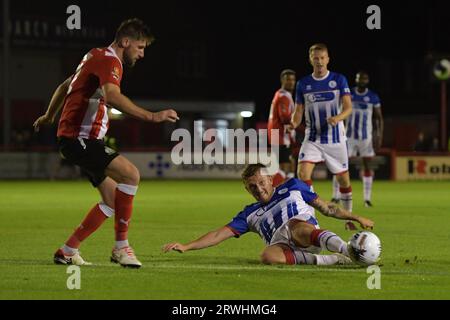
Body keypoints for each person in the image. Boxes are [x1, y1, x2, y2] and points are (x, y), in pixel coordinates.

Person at [33, 18, 179, 268]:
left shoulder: (94, 55)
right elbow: (112, 96)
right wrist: (153, 116)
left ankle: (68, 250)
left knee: (113, 201)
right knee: (131, 175)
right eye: (140, 47)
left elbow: (65, 85)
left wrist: (49, 115)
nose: (142, 54)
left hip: (77, 139)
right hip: (81, 139)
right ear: (125, 42)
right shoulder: (110, 60)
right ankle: (121, 248)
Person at [163, 164, 374, 266]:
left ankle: (348, 250)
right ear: (247, 190)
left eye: (261, 183)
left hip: (306, 232)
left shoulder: (293, 186)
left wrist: (356, 218)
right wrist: (186, 246)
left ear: (271, 179)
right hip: (283, 246)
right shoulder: (249, 214)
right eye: (252, 187)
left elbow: (328, 208)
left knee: (295, 226)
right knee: (267, 256)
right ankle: (333, 261)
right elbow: (218, 235)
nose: (259, 189)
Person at [289, 43, 356, 230]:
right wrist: (293, 124)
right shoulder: (303, 84)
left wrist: (338, 118)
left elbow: (348, 107)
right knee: (302, 175)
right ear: (310, 59)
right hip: (312, 138)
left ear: (328, 59)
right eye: (315, 58)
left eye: (322, 58)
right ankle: (311, 217)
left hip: (336, 140)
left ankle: (348, 217)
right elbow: (298, 111)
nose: (319, 61)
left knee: (344, 180)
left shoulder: (339, 79)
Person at [331, 71, 384, 208]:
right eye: (359, 78)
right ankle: (335, 196)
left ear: (367, 80)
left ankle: (367, 199)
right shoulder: (350, 95)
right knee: (340, 165)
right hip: (349, 137)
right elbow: (340, 111)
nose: (362, 80)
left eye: (364, 78)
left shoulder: (372, 97)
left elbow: (378, 118)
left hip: (366, 138)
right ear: (355, 79)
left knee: (367, 165)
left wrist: (379, 135)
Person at [267, 69, 297, 186]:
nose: (291, 82)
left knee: (289, 165)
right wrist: (298, 125)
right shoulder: (283, 96)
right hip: (280, 136)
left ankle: (285, 192)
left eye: (293, 80)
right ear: (282, 81)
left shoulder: (281, 94)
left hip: (277, 135)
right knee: (286, 167)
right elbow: (284, 116)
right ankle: (271, 193)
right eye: (288, 79)